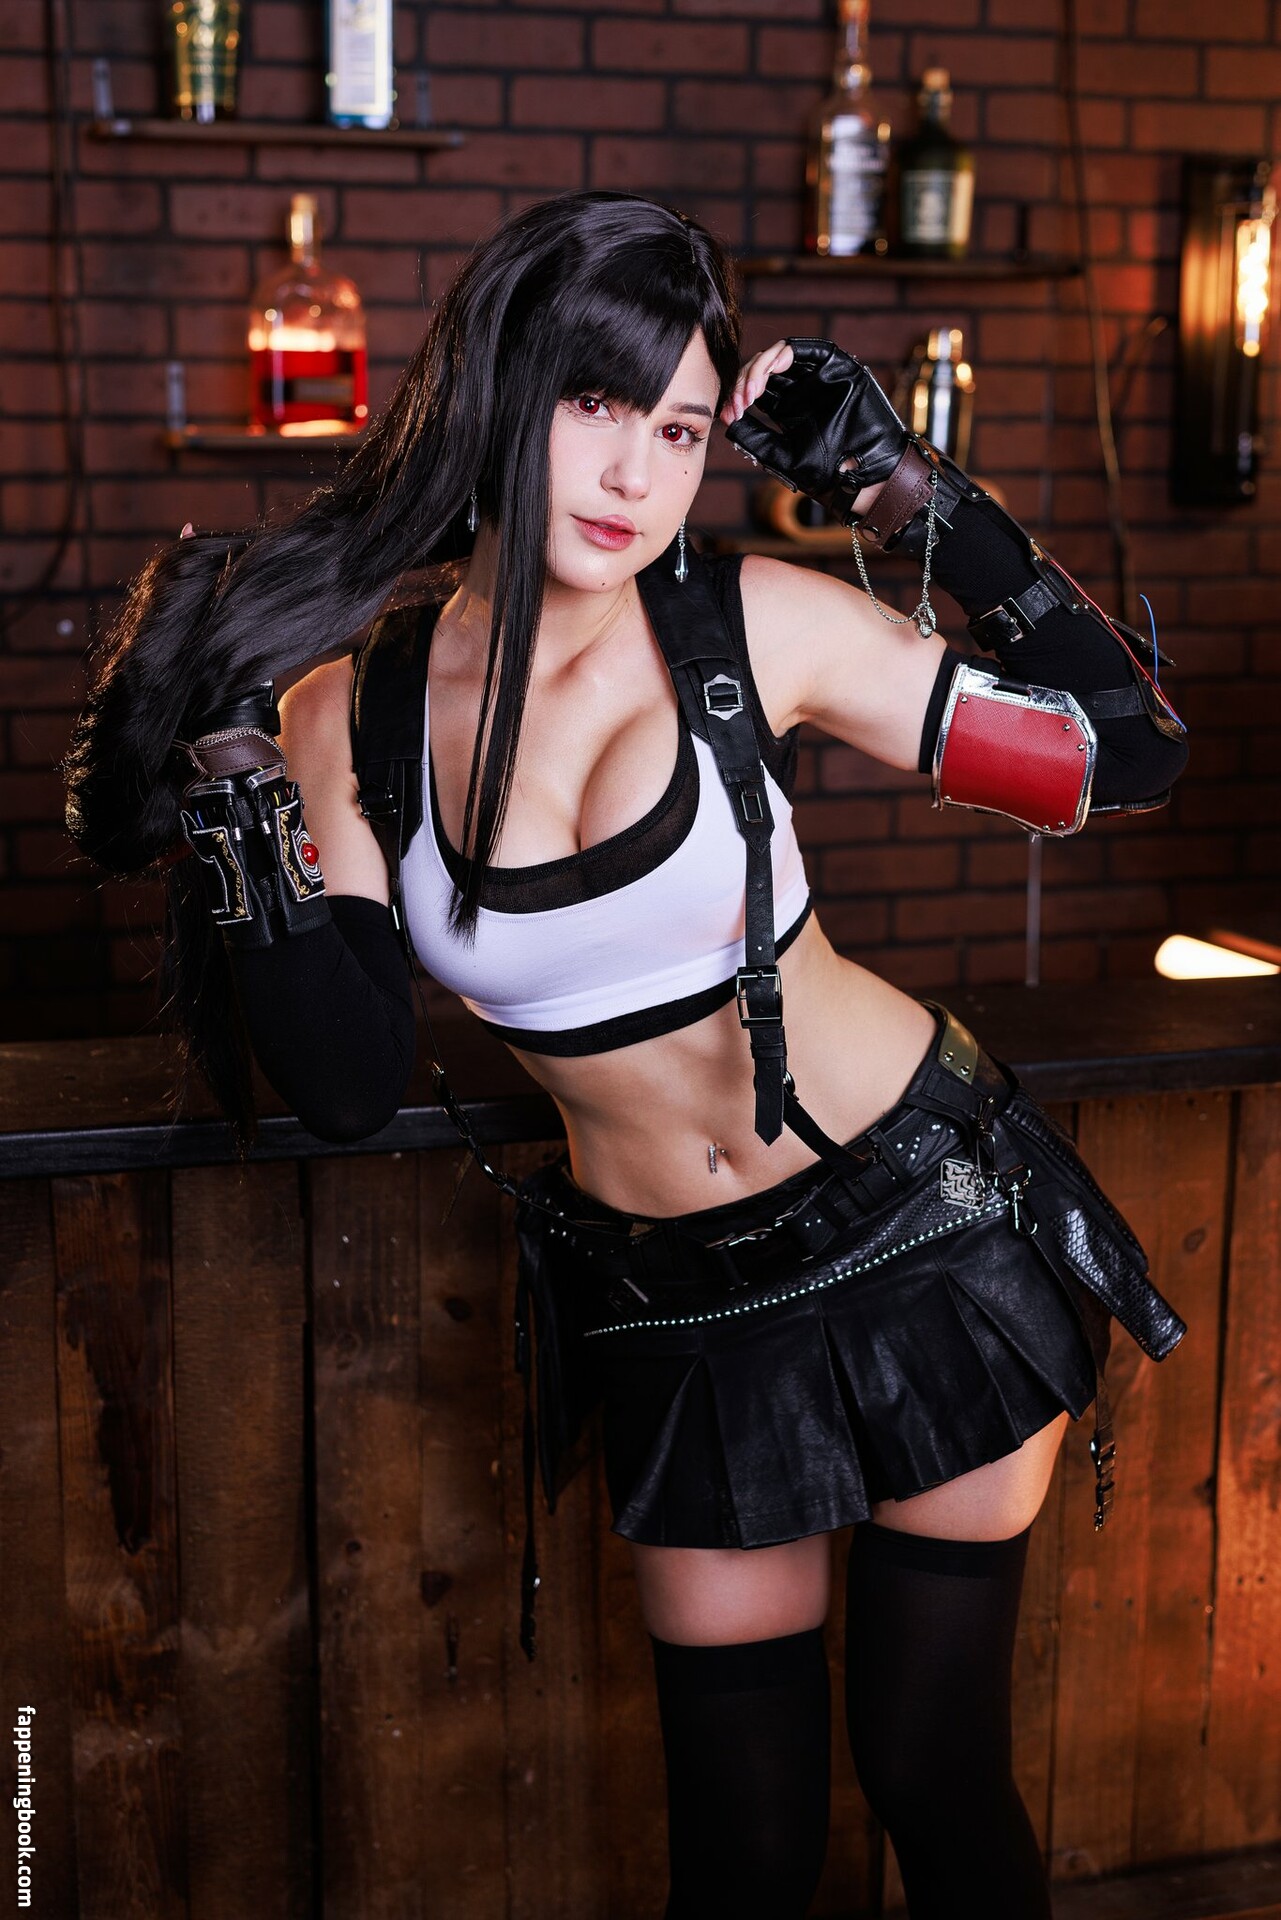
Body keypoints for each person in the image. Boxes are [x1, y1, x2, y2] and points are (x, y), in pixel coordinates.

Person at [64, 190, 1189, 1920]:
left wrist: (908, 494)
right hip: (678, 1305)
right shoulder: (349, 715)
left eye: (677, 428)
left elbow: (1123, 755)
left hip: (924, 1230)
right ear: (499, 395)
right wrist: (235, 790)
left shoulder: (757, 625)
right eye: (595, 404)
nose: (632, 472)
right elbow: (346, 1079)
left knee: (929, 1768)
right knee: (740, 1851)